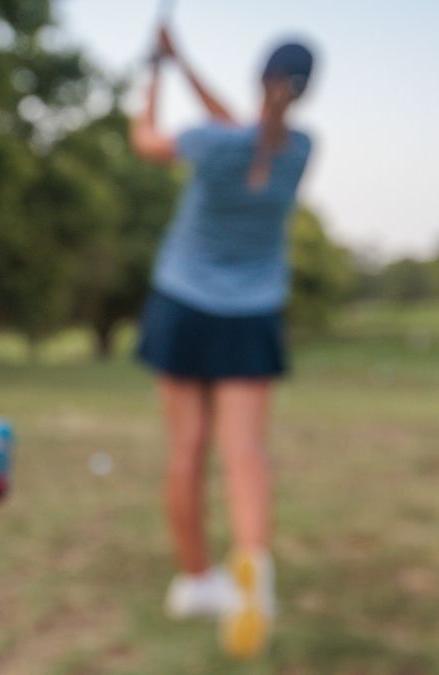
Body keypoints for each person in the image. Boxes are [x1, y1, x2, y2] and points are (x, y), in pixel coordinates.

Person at [130, 26, 316, 659]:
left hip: (182, 305)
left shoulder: (211, 146)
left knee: (187, 448)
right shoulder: (298, 150)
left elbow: (146, 141)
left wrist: (154, 74)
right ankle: (253, 574)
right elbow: (247, 125)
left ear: (259, 77)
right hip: (252, 315)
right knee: (245, 451)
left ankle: (196, 581)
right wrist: (182, 61)